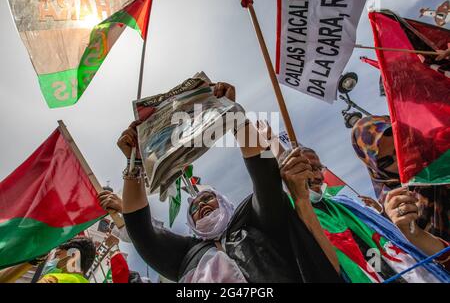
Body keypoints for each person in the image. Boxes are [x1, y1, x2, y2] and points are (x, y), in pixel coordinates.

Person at [100, 82, 342, 283]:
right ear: (190, 223)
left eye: (208, 199)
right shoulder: (185, 254)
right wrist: (135, 162)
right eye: (194, 208)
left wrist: (234, 116)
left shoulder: (256, 224)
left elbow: (265, 172)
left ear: (226, 203)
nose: (201, 205)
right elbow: (141, 232)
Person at [257, 121, 450, 282]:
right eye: (302, 168)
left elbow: (416, 247)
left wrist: (406, 229)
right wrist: (246, 128)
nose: (313, 175)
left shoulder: (352, 208)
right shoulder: (286, 216)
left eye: (317, 168)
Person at [351, 115, 450, 271]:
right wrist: (409, 233)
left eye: (400, 147)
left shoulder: (444, 162)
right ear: (377, 170)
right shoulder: (391, 213)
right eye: (386, 161)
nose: (399, 160)